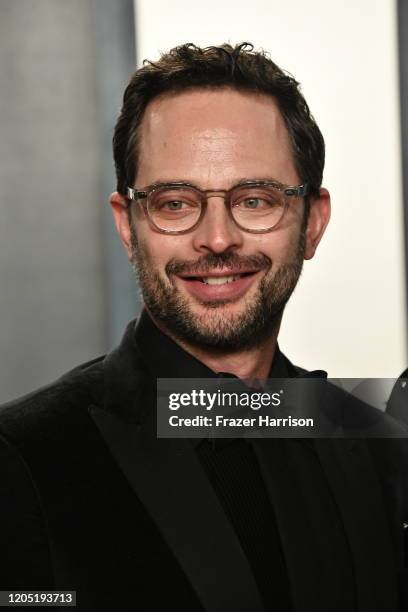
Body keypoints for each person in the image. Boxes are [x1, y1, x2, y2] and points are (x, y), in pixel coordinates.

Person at [0, 42, 407, 612]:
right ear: (129, 225)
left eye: (256, 199)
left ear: (312, 223)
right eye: (174, 203)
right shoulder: (21, 460)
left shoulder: (380, 452)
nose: (217, 239)